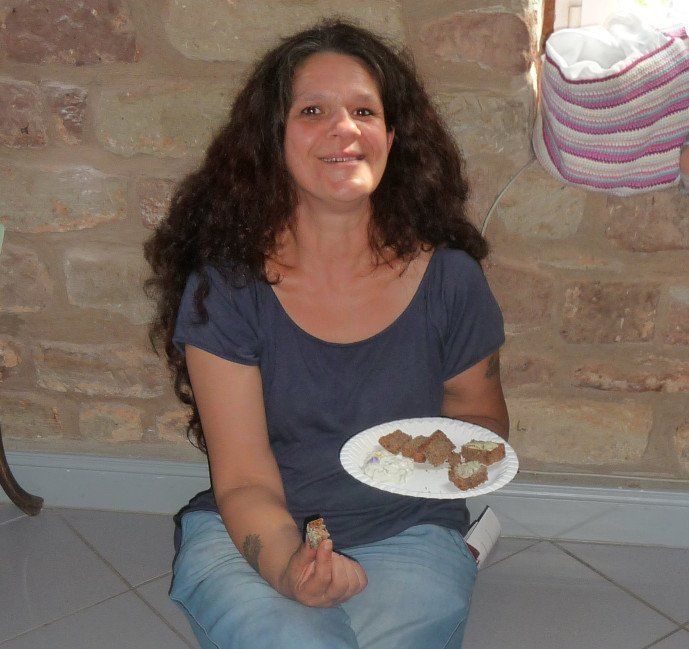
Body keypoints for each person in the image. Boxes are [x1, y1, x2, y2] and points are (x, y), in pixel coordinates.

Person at [144, 18, 509, 649]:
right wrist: (292, 568)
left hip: (411, 530)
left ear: (391, 138)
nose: (344, 129)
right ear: (273, 139)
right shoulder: (226, 288)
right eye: (313, 110)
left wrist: (441, 462)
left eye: (364, 111)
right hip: (256, 531)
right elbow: (244, 480)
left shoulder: (452, 280)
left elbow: (483, 424)